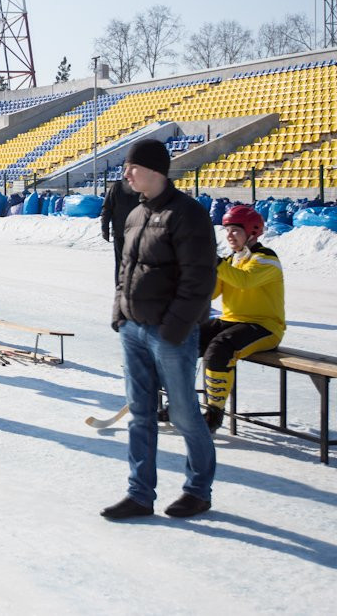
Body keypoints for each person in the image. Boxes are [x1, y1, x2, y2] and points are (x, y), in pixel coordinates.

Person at [103, 138, 217, 521]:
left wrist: (175, 327)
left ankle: (198, 490)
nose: (126, 174)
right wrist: (120, 313)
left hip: (168, 334)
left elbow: (199, 279)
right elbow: (126, 269)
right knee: (140, 414)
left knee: (184, 414)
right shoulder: (135, 214)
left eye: (132, 167)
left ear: (153, 170)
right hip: (133, 329)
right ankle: (140, 493)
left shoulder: (188, 214)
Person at [199, 204, 286, 431]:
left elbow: (244, 281)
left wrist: (215, 262)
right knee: (186, 339)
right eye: (227, 230)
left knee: (220, 348)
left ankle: (214, 414)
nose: (229, 235)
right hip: (232, 320)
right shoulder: (231, 260)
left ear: (252, 232)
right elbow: (214, 292)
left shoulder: (266, 259)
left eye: (236, 230)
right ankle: (181, 402)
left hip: (264, 326)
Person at [100, 176, 139, 281]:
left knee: (130, 263)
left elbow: (106, 209)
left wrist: (105, 229)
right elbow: (107, 209)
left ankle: (128, 287)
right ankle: (122, 288)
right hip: (122, 233)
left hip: (133, 233)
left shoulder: (139, 187)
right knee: (123, 263)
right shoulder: (117, 188)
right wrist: (105, 229)